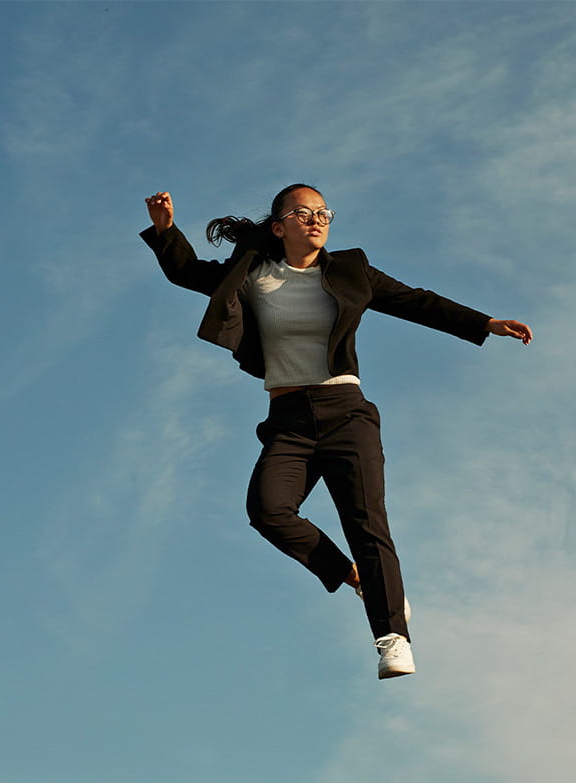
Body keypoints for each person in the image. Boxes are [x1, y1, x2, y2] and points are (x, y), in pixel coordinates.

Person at [141, 184, 532, 679]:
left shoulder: (351, 270)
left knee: (368, 524)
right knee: (268, 511)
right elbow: (189, 274)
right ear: (279, 226)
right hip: (287, 420)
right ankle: (353, 576)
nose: (316, 219)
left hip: (346, 410)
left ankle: (392, 639)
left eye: (323, 212)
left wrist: (485, 323)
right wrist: (165, 231)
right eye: (303, 213)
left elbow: (416, 301)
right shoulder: (254, 273)